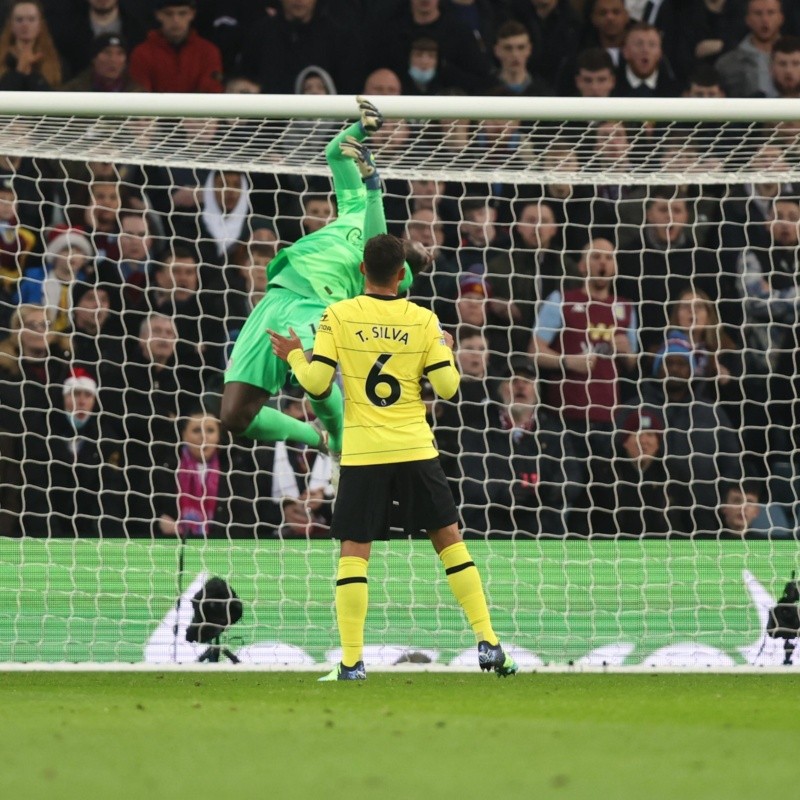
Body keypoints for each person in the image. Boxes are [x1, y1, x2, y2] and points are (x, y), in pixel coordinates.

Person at [269, 233, 517, 680]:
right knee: (450, 543)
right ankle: (489, 643)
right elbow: (447, 389)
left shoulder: (338, 315)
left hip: (364, 453)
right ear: (402, 274)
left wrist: (293, 358)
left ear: (362, 270)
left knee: (354, 552)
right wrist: (444, 349)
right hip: (415, 448)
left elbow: (319, 384)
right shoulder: (423, 320)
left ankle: (351, 662)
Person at [220, 97, 426, 465]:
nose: (425, 247)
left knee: (316, 376)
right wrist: (362, 127)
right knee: (235, 416)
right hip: (276, 296)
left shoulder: (397, 272)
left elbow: (374, 248)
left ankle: (342, 439)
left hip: (318, 304)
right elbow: (336, 153)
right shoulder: (357, 208)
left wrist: (375, 185)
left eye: (426, 252)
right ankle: (319, 437)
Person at [128, 0, 223, 93]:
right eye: (169, 14)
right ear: (158, 15)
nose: (175, 20)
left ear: (192, 14)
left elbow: (210, 94)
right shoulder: (142, 53)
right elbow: (140, 98)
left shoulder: (208, 52)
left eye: (182, 13)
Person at [0, 0, 62, 90]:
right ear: (11, 25)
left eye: (31, 19)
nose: (25, 25)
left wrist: (31, 75)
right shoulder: (3, 59)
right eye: (19, 20)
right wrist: (19, 71)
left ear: (40, 24)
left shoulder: (56, 63)